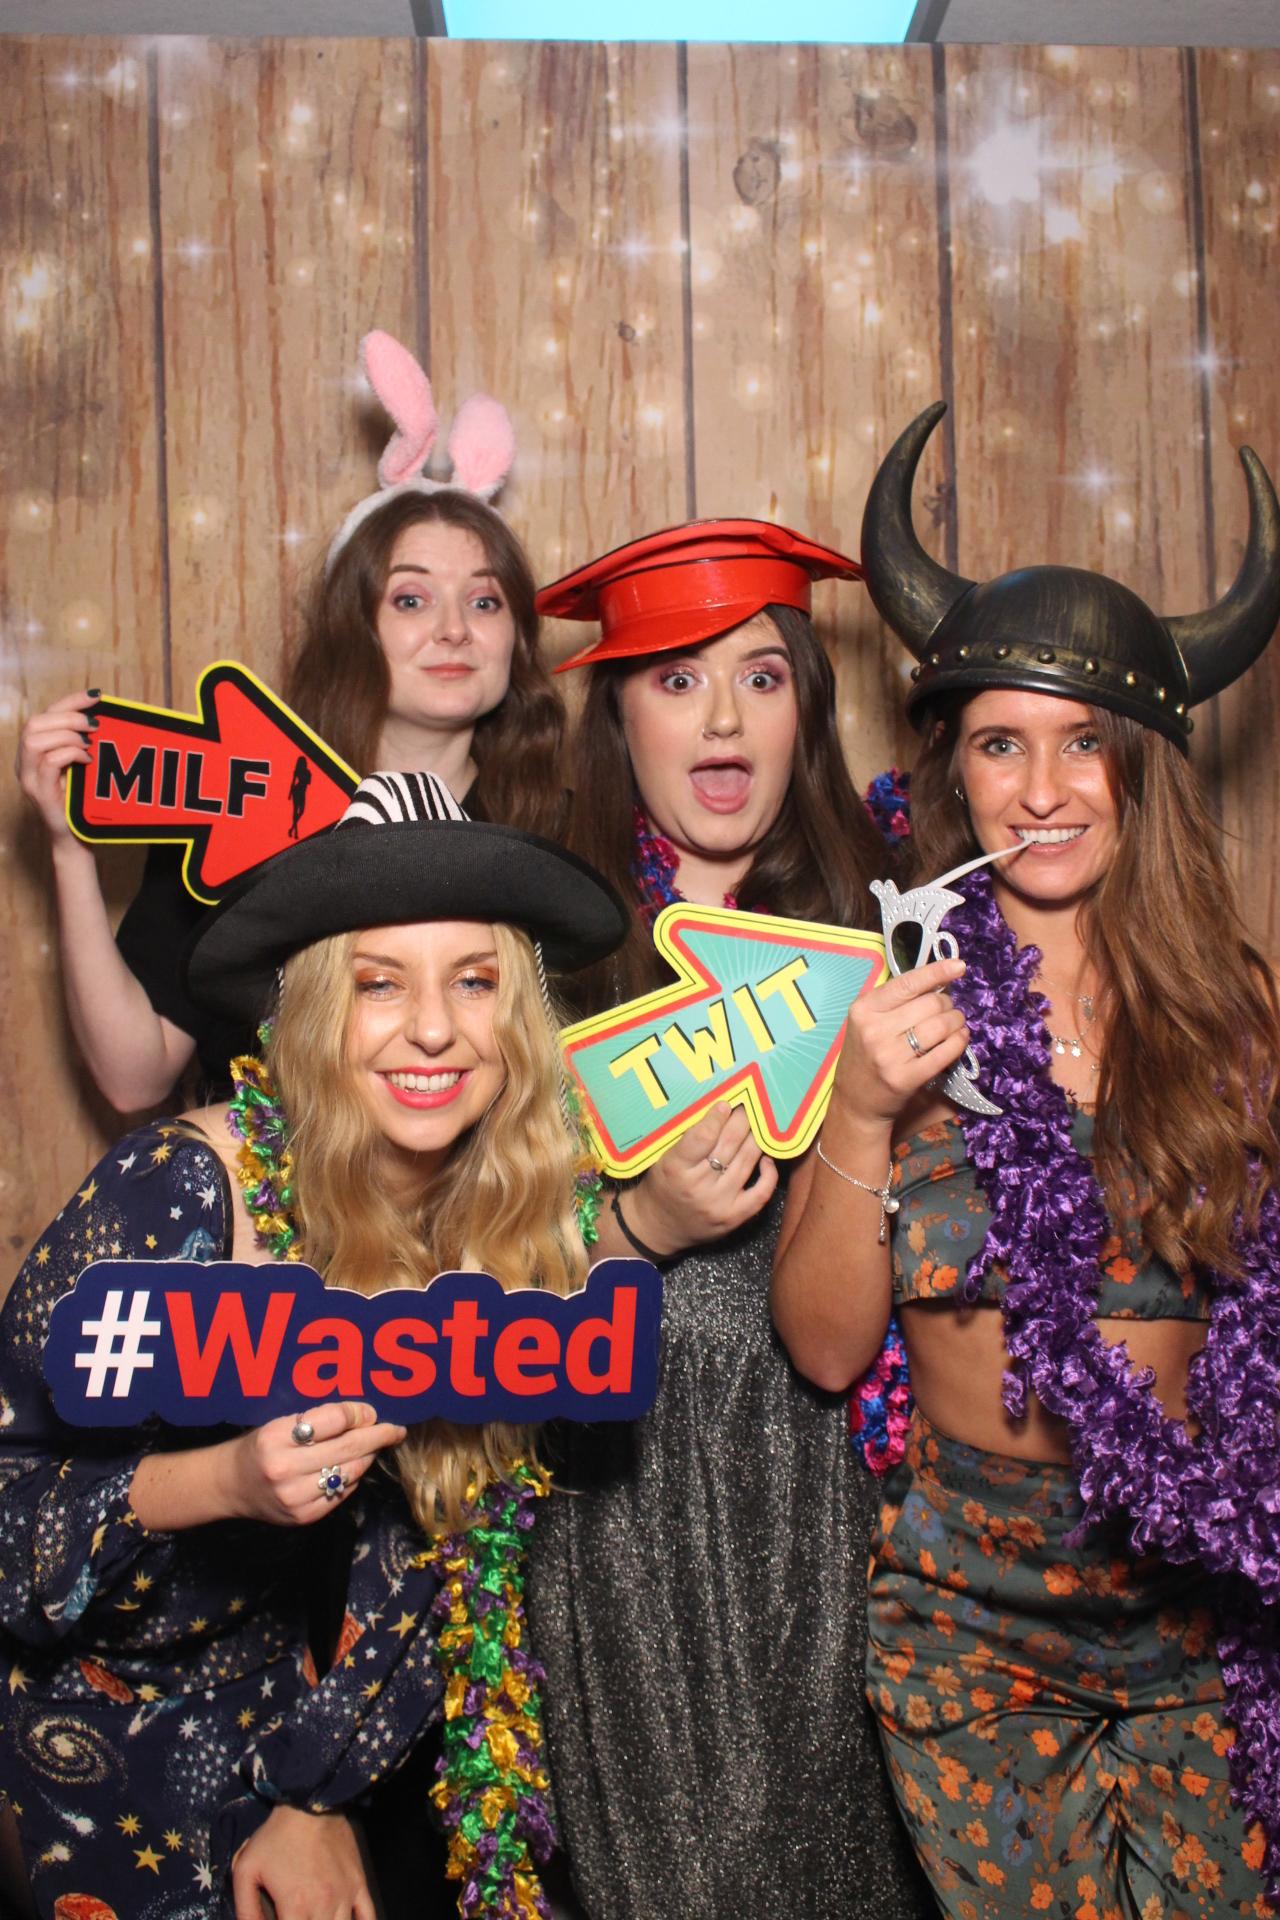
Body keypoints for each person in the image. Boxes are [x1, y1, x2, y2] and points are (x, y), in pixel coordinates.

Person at [772, 402, 1280, 1918]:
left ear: (1141, 772)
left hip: (1197, 1609)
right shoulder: (891, 1002)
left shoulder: (1235, 1020)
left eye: (1082, 745)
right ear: (955, 768)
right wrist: (860, 1109)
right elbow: (824, 1348)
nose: (1042, 790)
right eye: (1001, 742)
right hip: (970, 1624)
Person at [0, 769, 626, 1920]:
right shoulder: (185, 1189)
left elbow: (442, 1565)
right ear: (313, 1009)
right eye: (379, 982)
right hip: (94, 1747)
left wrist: (313, 1794)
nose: (433, 1027)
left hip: (297, 1736)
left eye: (474, 980)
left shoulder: (497, 1224)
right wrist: (221, 1480)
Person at [525, 522, 933, 1919]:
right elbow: (453, 1291)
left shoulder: (889, 942)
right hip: (625, 1519)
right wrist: (635, 1225)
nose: (720, 718)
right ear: (616, 717)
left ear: (804, 713)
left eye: (760, 678)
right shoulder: (533, 958)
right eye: (676, 679)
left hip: (843, 1507)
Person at [16, 330, 564, 1110]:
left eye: (484, 601)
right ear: (352, 629)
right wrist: (69, 846)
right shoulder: (234, 798)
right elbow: (135, 1076)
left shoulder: (556, 832)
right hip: (275, 1183)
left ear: (517, 637)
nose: (454, 629)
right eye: (411, 599)